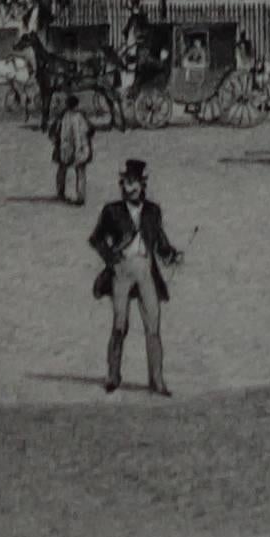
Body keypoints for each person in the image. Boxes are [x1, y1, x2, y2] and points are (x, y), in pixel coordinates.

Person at [89, 160, 182, 396]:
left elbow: (159, 241)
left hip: (147, 271)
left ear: (142, 184)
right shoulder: (112, 211)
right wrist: (111, 258)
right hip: (122, 271)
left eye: (131, 183)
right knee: (120, 325)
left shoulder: (153, 211)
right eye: (124, 182)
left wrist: (170, 255)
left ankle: (157, 380)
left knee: (153, 327)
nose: (126, 187)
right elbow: (96, 239)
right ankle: (113, 375)